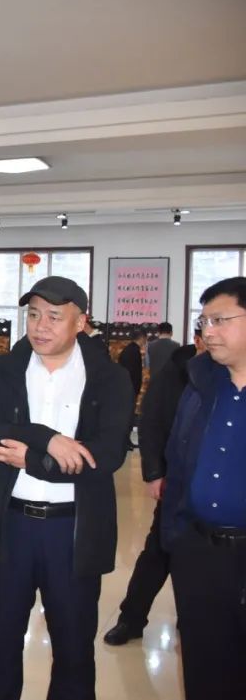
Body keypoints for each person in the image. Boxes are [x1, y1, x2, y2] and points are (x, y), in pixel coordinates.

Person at [0, 276, 133, 700]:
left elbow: (105, 455)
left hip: (73, 530)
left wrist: (33, 460)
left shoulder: (108, 378)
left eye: (54, 317)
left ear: (81, 322)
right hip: (10, 525)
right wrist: (50, 439)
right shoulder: (5, 369)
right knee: (0, 640)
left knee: (74, 647)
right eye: (34, 314)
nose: (40, 326)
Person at [162, 276, 246, 700]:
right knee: (205, 670)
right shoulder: (199, 385)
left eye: (219, 320)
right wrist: (176, 539)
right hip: (199, 553)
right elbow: (177, 466)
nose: (207, 331)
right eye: (203, 321)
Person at [104, 328, 204, 645]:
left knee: (208, 563)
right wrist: (155, 472)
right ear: (197, 339)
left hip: (219, 489)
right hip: (178, 482)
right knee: (157, 553)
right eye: (209, 329)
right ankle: (131, 619)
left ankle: (194, 619)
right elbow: (152, 421)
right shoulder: (177, 370)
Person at [118, 328, 146, 400]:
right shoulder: (135, 351)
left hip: (123, 386)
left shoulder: (127, 349)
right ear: (142, 338)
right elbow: (135, 372)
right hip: (131, 388)